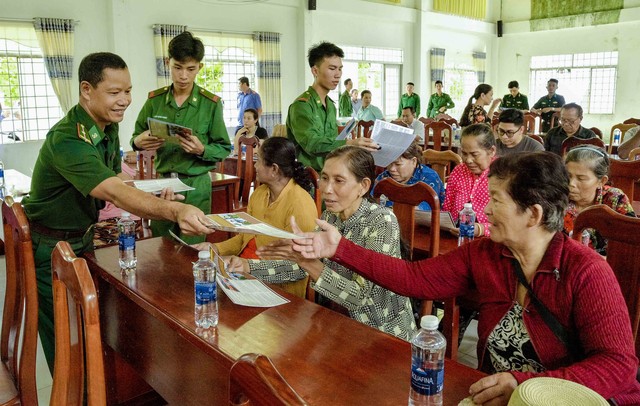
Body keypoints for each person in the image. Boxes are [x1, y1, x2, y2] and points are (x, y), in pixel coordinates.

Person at [275, 151, 640, 406]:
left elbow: (619, 367)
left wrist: (524, 384)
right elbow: (413, 279)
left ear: (533, 214)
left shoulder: (587, 271)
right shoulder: (487, 254)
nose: (484, 210)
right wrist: (339, 249)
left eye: (496, 201)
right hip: (495, 397)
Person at [22, 52, 213, 373]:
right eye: (114, 92)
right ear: (86, 89)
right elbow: (112, 191)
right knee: (66, 341)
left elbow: (120, 178)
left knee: (89, 329)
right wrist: (173, 209)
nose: (124, 100)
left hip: (79, 239)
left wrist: (151, 191)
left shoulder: (105, 127)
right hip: (50, 248)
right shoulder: (69, 139)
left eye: (127, 91)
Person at [255, 146, 416, 340]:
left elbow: (359, 297)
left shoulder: (382, 221)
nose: (327, 189)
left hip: (380, 333)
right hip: (339, 325)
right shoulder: (330, 217)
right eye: (324, 178)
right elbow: (300, 267)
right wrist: (245, 266)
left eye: (339, 181)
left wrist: (307, 262)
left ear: (363, 186)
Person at [131, 31, 230, 243]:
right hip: (163, 186)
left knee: (193, 249)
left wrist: (202, 150)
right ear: (168, 63)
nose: (183, 76)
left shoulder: (210, 104)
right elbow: (136, 138)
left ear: (199, 68)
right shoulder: (154, 101)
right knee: (161, 246)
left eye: (190, 69)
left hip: (196, 186)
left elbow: (224, 148)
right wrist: (138, 142)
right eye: (177, 68)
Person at [195, 137, 318, 298]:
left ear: (274, 169)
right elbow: (244, 238)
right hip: (243, 273)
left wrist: (249, 267)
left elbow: (299, 268)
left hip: (278, 289)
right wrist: (214, 248)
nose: (254, 165)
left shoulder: (300, 205)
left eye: (258, 160)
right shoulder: (260, 194)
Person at [286, 42, 378, 172]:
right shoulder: (302, 106)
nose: (338, 74)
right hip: (308, 178)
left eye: (340, 69)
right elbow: (312, 144)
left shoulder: (330, 106)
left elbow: (333, 142)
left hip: (331, 172)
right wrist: (350, 143)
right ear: (315, 71)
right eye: (332, 68)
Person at [563, 146, 635, 255]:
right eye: (568, 176)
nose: (571, 184)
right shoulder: (557, 198)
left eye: (581, 178)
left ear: (601, 181)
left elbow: (631, 240)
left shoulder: (615, 198)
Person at [443, 123, 496, 238]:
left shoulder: (502, 175)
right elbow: (447, 207)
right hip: (455, 235)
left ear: (491, 151)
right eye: (464, 154)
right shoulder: (458, 171)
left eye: (474, 154)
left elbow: (509, 222)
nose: (468, 160)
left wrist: (481, 229)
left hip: (489, 239)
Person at [372, 142, 444, 211]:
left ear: (413, 162)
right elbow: (370, 201)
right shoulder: (384, 177)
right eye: (389, 163)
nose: (391, 169)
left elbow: (424, 211)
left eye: (398, 164)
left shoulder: (429, 178)